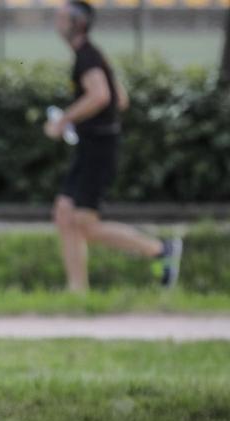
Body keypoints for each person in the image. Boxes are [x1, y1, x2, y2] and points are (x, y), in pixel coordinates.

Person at [45, 0, 182, 292]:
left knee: (85, 224)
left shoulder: (87, 57)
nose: (56, 22)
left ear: (77, 23)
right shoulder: (93, 56)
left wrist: (63, 121)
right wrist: (82, 122)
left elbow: (101, 97)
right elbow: (120, 98)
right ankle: (76, 291)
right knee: (64, 214)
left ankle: (159, 249)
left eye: (60, 17)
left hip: (98, 149)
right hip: (92, 145)